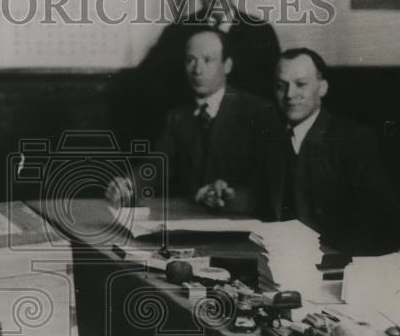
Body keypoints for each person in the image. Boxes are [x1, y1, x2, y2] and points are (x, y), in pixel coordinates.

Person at [108, 28, 277, 211]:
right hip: (192, 220)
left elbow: (269, 181)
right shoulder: (178, 117)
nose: (197, 70)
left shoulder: (256, 112)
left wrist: (230, 195)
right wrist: (129, 185)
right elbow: (157, 166)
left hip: (242, 221)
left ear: (227, 65)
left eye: (207, 60)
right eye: (190, 60)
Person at [250, 48, 399, 255]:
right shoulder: (271, 140)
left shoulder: (353, 139)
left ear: (322, 88)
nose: (290, 94)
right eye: (280, 86)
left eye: (301, 84)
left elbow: (374, 219)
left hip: (337, 263)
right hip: (278, 261)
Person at [122, 0, 280, 143]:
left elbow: (272, 90)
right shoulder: (177, 31)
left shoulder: (260, 31)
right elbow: (154, 85)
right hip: (192, 133)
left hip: (246, 133)